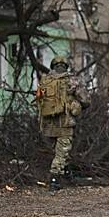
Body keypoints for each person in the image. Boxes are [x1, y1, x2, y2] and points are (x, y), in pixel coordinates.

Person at [36, 56, 90, 192]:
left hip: (48, 123)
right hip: (65, 122)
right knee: (62, 152)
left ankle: (66, 173)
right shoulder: (71, 80)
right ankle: (54, 179)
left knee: (59, 150)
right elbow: (85, 100)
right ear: (66, 66)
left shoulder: (45, 80)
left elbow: (39, 101)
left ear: (53, 66)